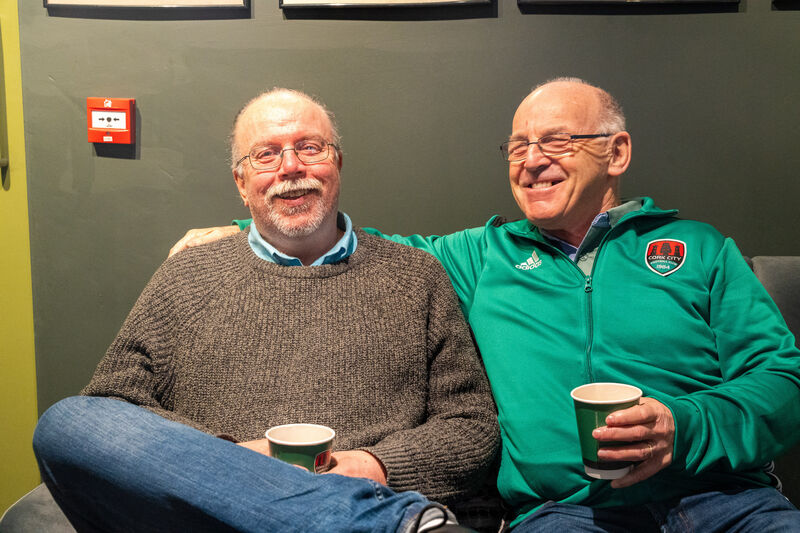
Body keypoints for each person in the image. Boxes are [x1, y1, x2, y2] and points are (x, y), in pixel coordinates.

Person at [172, 78, 800, 531]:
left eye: (556, 141)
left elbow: (781, 381)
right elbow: (363, 248)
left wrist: (682, 427)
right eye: (517, 146)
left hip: (727, 502)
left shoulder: (699, 249)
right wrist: (246, 228)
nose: (532, 161)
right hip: (565, 514)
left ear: (617, 153)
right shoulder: (480, 256)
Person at [32, 88, 500, 533]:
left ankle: (364, 518)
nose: (291, 167)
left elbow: (472, 428)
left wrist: (370, 466)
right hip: (214, 518)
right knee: (66, 423)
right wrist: (234, 465)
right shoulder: (187, 275)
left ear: (337, 164)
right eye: (266, 154)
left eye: (310, 148)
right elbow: (114, 403)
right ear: (241, 182)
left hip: (369, 502)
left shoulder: (416, 277)